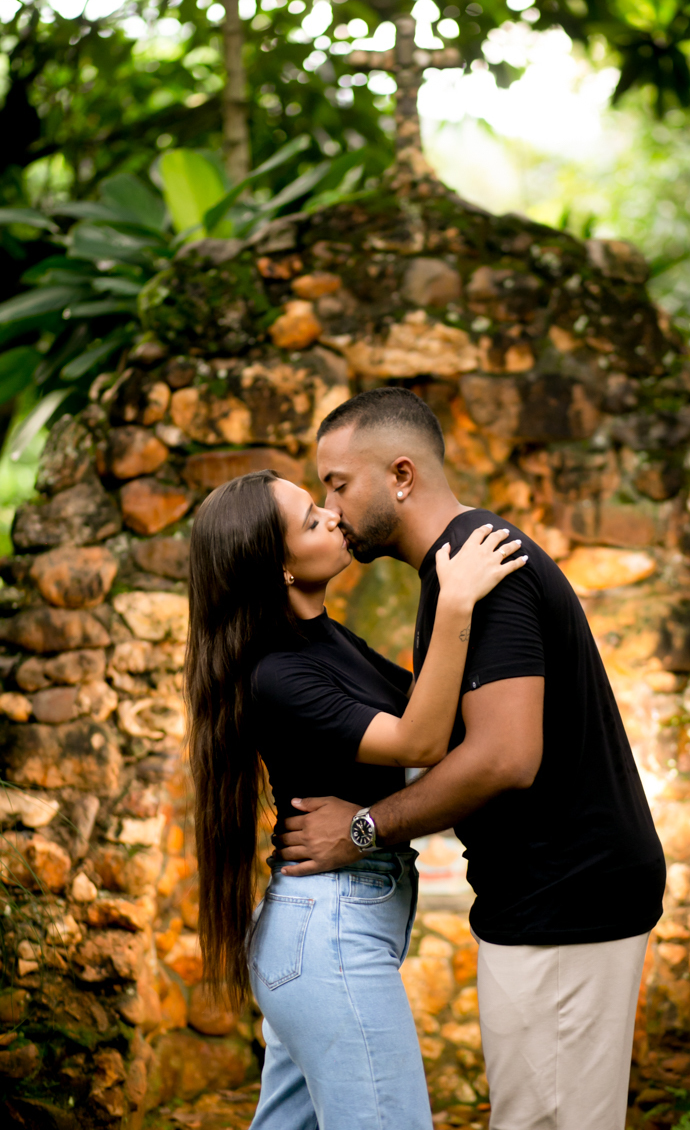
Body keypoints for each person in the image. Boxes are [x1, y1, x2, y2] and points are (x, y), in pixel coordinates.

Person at [274, 387, 667, 1130]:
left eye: (338, 484)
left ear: (401, 475)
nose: (332, 507)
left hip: (566, 897)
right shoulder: (454, 577)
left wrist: (362, 828)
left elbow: (504, 757)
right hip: (549, 896)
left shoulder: (480, 565)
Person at [184, 466, 526, 1130]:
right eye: (311, 521)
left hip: (324, 929)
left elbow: (430, 705)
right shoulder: (279, 673)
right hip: (329, 933)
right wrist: (454, 602)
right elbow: (419, 739)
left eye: (320, 505)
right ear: (279, 570)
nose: (333, 516)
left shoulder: (326, 637)